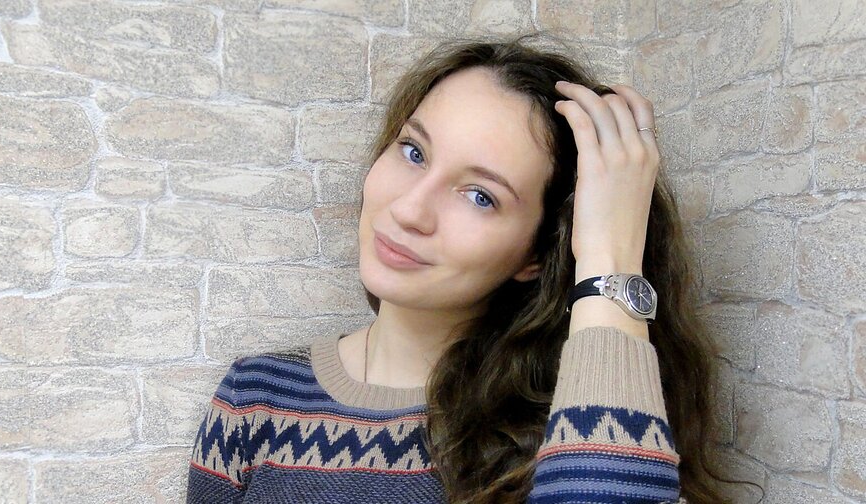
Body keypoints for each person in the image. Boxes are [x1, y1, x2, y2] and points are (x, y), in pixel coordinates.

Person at [186, 34, 757, 503]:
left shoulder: (576, 423)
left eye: (481, 196)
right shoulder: (255, 398)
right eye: (414, 152)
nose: (409, 210)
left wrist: (610, 258)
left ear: (537, 256)